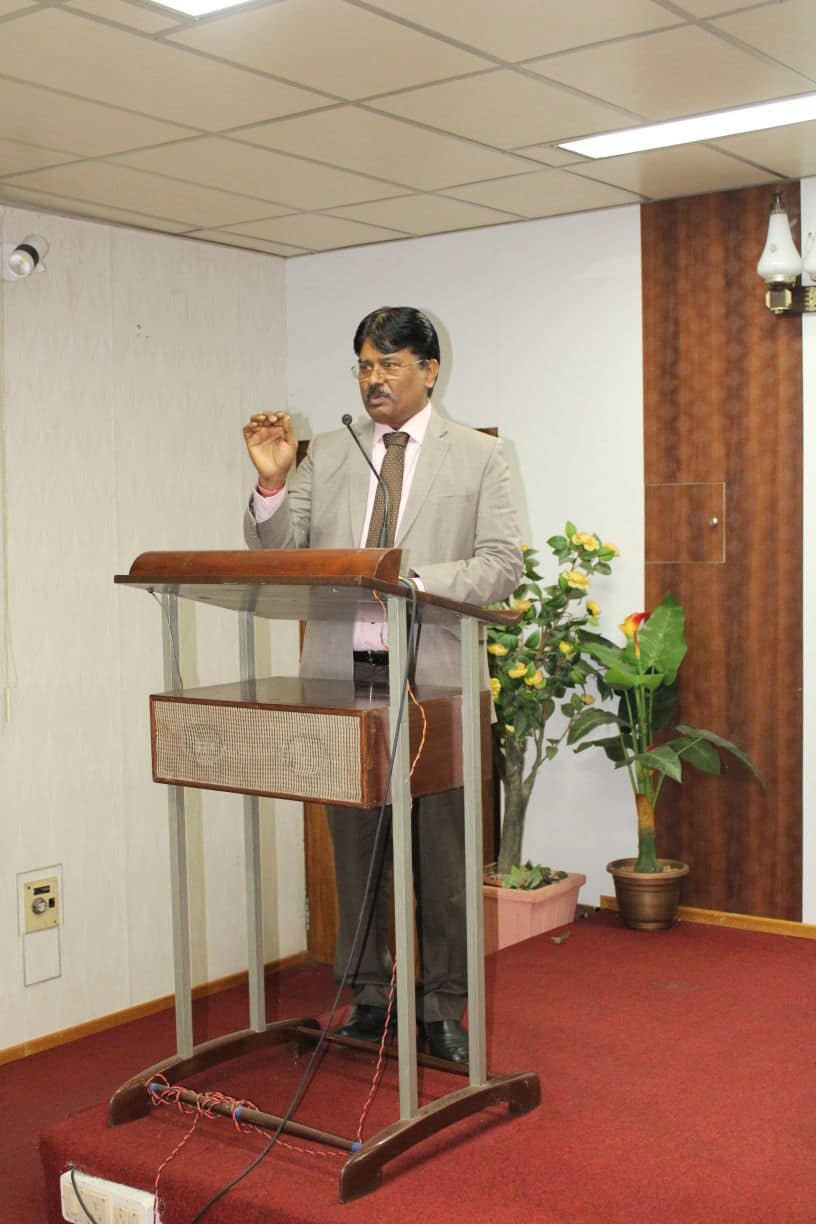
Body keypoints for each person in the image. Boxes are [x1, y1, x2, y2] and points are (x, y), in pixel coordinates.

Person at [242, 306, 522, 1063]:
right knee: (357, 848)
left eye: (389, 365)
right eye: (365, 365)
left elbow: (502, 564)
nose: (374, 379)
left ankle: (443, 1009)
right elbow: (280, 552)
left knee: (443, 857)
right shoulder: (330, 453)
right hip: (347, 672)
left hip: (436, 676)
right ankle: (370, 998)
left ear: (429, 370)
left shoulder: (480, 457)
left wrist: (414, 582)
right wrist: (271, 483)